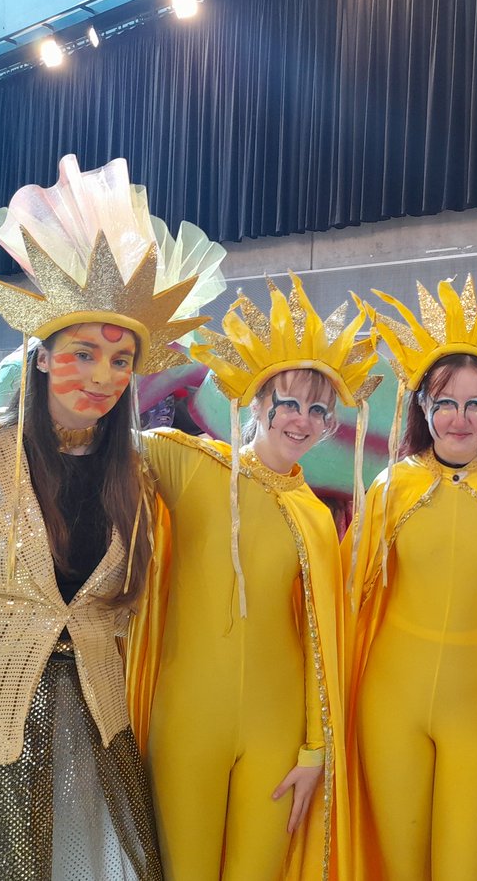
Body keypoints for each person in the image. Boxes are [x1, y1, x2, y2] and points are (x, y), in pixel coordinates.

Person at [0, 154, 220, 879]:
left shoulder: (138, 472)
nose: (102, 376)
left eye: (121, 359)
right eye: (83, 353)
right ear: (39, 356)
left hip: (91, 740)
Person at [121, 276, 372, 881]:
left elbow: (319, 640)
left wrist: (315, 750)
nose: (302, 419)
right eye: (288, 401)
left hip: (278, 738)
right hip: (185, 722)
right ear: (256, 403)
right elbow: (82, 432)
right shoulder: (190, 463)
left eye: (318, 409)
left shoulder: (316, 514)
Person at [348, 276, 477, 880]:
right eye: (446, 403)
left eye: (476, 404)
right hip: (390, 707)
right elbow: (347, 598)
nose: (460, 418)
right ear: (424, 409)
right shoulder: (390, 489)